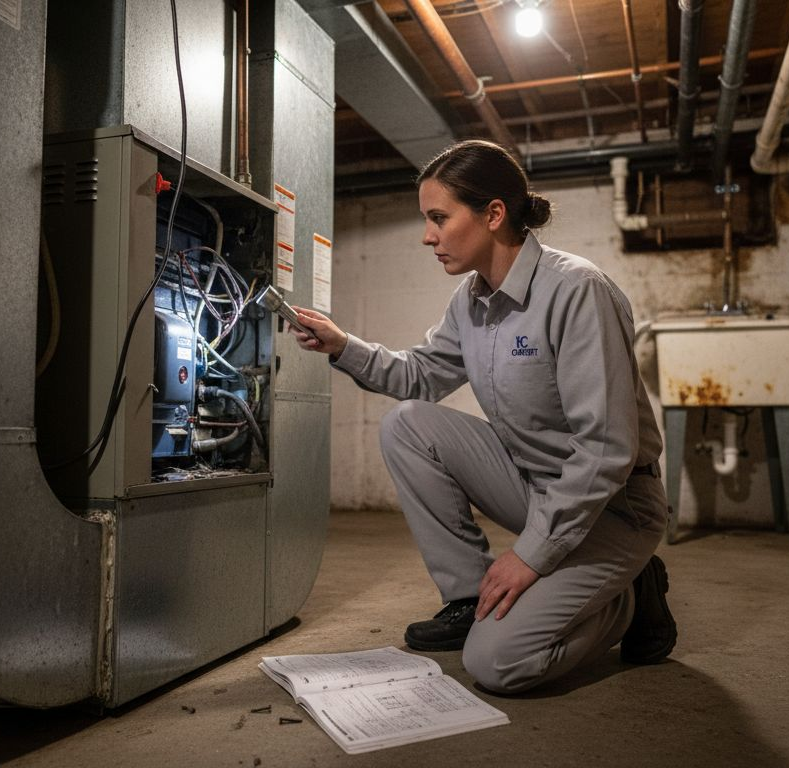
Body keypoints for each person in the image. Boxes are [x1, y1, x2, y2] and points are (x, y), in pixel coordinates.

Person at [289, 140, 676, 695]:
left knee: (498, 664)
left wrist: (530, 556)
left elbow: (606, 449)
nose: (428, 236)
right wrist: (340, 345)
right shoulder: (472, 300)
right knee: (409, 423)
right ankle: (471, 598)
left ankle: (632, 599)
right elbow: (418, 375)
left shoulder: (576, 290)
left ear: (494, 214)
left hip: (614, 507)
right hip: (537, 487)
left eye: (439, 218)